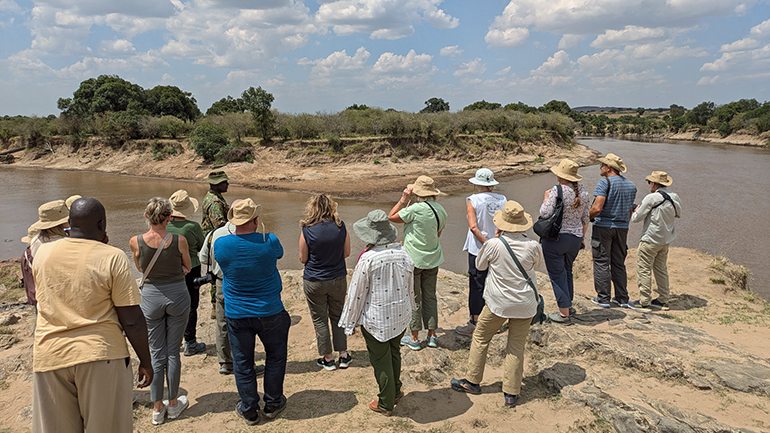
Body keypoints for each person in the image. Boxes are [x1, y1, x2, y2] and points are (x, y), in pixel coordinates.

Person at [32, 197, 153, 433]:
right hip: (100, 355)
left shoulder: (43, 254)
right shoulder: (112, 256)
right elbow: (131, 318)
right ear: (102, 225)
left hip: (50, 355)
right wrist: (146, 361)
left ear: (68, 224)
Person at [450, 200, 546, 408]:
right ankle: (511, 392)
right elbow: (536, 265)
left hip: (498, 303)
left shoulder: (494, 244)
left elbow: (480, 265)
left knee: (481, 337)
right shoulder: (533, 246)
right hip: (525, 302)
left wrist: (494, 242)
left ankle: (472, 381)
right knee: (516, 346)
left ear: (501, 224)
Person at [214, 199, 289, 426]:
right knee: (275, 356)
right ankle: (273, 402)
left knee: (243, 361)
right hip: (270, 310)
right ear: (256, 220)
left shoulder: (222, 244)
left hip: (237, 312)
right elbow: (279, 254)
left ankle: (249, 408)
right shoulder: (270, 240)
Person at [339, 210, 415, 416]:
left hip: (377, 319)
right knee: (394, 352)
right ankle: (396, 390)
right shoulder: (404, 253)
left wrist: (349, 323)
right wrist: (411, 309)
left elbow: (356, 295)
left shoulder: (368, 259)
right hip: (401, 315)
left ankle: (386, 403)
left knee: (381, 360)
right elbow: (410, 288)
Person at [129, 197, 192, 425]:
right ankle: (173, 404)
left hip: (151, 298)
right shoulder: (179, 240)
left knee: (156, 352)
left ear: (146, 216)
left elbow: (140, 267)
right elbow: (187, 265)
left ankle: (157, 408)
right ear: (169, 218)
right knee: (173, 352)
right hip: (177, 295)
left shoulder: (135, 241)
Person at [388, 175, 446, 351]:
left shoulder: (414, 209)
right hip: (433, 258)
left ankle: (414, 337)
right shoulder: (441, 210)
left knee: (414, 297)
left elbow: (391, 216)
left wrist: (403, 199)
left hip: (413, 259)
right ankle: (432, 335)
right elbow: (438, 234)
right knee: (430, 295)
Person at [299, 194, 352, 371]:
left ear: (312, 208)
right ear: (331, 207)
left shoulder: (306, 229)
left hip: (314, 280)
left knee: (319, 319)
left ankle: (328, 358)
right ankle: (343, 355)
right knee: (338, 316)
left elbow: (302, 258)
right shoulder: (340, 226)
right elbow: (346, 253)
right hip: (337, 278)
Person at [456, 168, 507, 336]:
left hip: (478, 248)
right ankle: (495, 320)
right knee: (497, 283)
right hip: (499, 246)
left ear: (477, 184)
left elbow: (473, 227)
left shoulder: (473, 200)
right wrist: (494, 243)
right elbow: (504, 223)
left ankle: (475, 322)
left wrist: (486, 244)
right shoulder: (503, 199)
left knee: (477, 283)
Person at [539, 159, 590, 324]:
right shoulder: (583, 192)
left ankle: (563, 314)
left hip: (557, 238)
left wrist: (546, 198)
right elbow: (585, 219)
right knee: (567, 272)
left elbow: (545, 213)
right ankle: (569, 307)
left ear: (560, 175)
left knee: (556, 274)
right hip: (575, 239)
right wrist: (581, 238)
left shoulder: (557, 190)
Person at [628, 171, 683, 311]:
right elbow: (678, 214)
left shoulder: (651, 197)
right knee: (661, 269)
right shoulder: (674, 197)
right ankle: (663, 300)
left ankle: (644, 302)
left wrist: (637, 210)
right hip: (666, 239)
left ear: (653, 183)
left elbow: (635, 218)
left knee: (644, 269)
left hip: (650, 239)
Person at [589, 153, 637, 308]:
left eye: (602, 165)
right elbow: (630, 210)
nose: (600, 168)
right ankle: (622, 298)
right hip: (622, 228)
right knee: (618, 263)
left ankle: (603, 298)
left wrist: (585, 217)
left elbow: (597, 207)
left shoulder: (604, 183)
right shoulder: (631, 186)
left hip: (603, 227)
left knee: (601, 261)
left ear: (608, 168)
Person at [167, 189, 207, 356]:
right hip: (192, 267)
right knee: (191, 305)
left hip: (170, 268)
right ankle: (190, 341)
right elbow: (202, 246)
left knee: (172, 304)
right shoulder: (192, 227)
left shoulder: (164, 225)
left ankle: (172, 342)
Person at [23, 200, 70, 306]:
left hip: (44, 294)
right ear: (61, 222)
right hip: (60, 296)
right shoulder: (61, 242)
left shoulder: (36, 240)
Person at [202, 170, 230, 319]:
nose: (227, 184)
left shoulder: (214, 198)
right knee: (218, 273)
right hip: (216, 241)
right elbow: (220, 225)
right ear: (217, 184)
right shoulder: (215, 202)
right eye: (225, 182)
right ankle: (216, 306)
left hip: (213, 239)